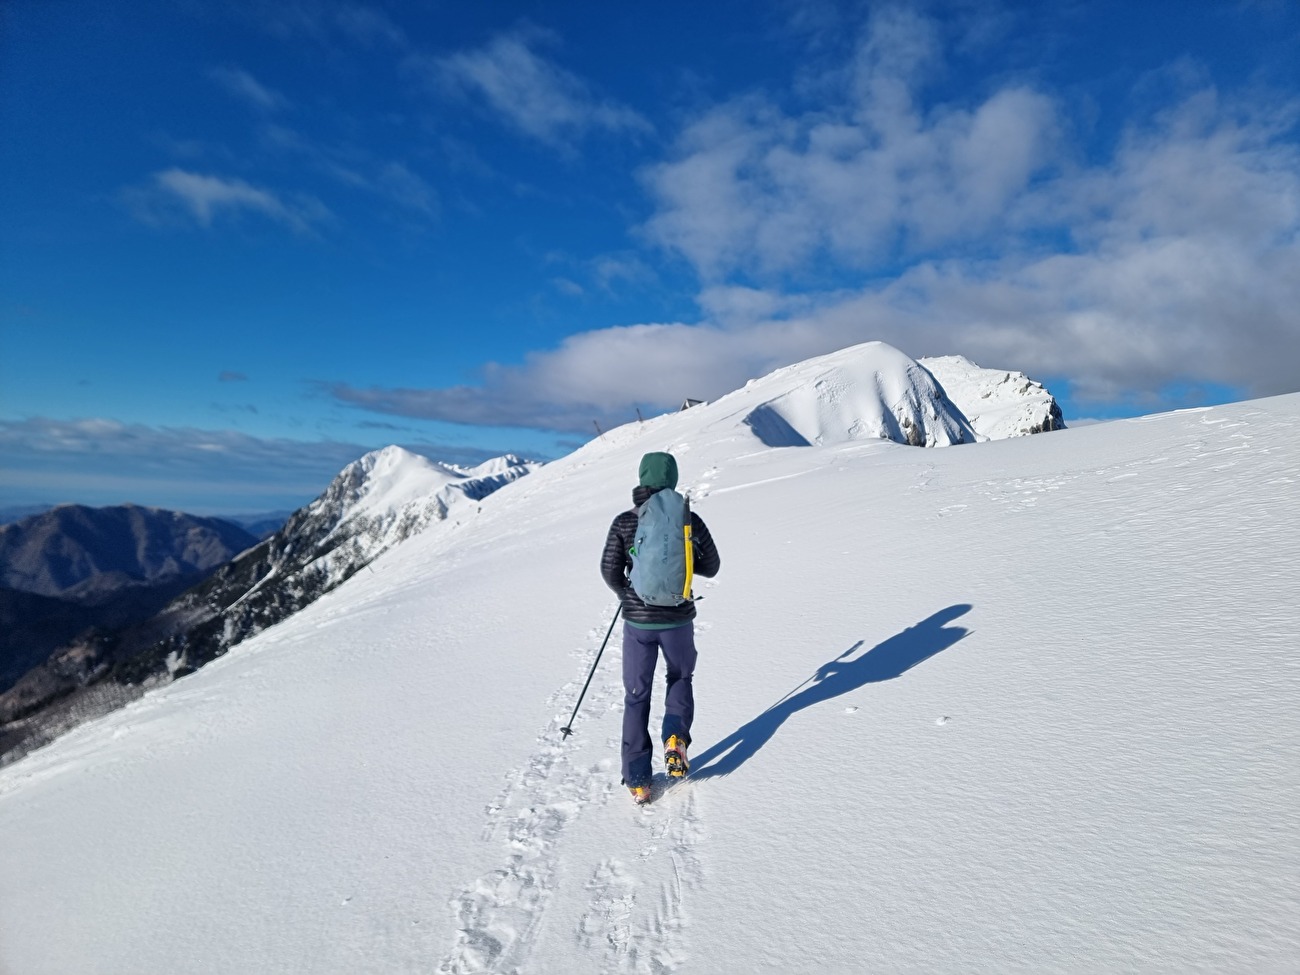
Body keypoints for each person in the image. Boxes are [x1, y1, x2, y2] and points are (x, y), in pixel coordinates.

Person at [600, 451, 721, 804]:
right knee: (680, 678)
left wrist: (629, 593)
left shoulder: (625, 522)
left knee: (636, 695)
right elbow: (711, 567)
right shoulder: (689, 520)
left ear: (641, 479)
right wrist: (682, 565)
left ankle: (638, 780)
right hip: (678, 620)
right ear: (672, 479)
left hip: (638, 622)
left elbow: (609, 571)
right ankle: (675, 740)